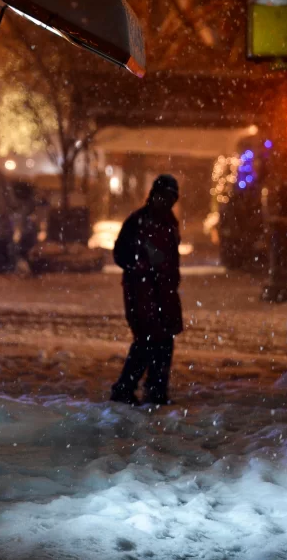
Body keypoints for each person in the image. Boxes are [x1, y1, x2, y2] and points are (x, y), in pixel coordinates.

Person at [110, 174, 183, 406]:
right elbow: (121, 254)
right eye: (164, 197)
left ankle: (155, 389)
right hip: (142, 292)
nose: (167, 202)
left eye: (171, 198)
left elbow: (171, 259)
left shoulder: (168, 223)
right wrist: (141, 265)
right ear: (154, 195)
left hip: (162, 291)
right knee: (147, 341)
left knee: (163, 341)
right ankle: (127, 388)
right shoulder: (138, 222)